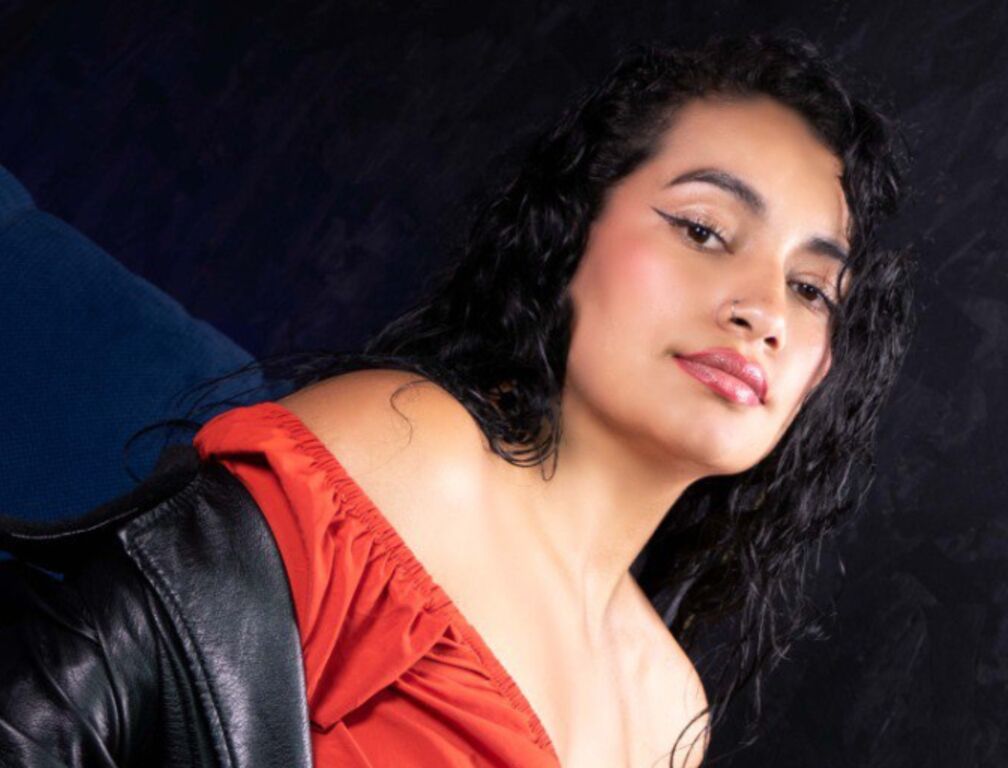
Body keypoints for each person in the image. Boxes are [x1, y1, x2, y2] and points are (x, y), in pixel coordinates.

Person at [0, 32, 915, 768]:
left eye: (812, 289)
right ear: (572, 234)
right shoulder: (415, 447)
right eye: (705, 230)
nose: (764, 312)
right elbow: (43, 720)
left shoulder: (672, 708)